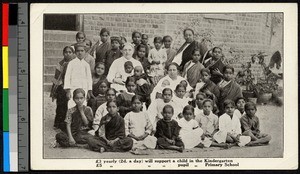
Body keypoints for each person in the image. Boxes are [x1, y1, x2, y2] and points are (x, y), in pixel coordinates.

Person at [50, 46, 75, 130]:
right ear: (63, 53)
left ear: (73, 53)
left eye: (70, 52)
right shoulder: (60, 64)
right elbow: (57, 77)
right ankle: (58, 123)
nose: (68, 54)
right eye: (66, 52)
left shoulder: (74, 63)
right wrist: (56, 89)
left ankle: (67, 124)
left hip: (71, 86)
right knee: (60, 106)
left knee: (69, 105)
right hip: (61, 86)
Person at [64, 43, 93, 109]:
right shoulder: (71, 63)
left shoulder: (86, 65)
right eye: (78, 51)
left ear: (85, 52)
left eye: (82, 51)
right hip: (73, 88)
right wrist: (68, 90)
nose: (80, 53)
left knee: (83, 106)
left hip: (84, 88)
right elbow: (67, 77)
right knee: (72, 105)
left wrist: (89, 90)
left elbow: (89, 78)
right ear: (75, 53)